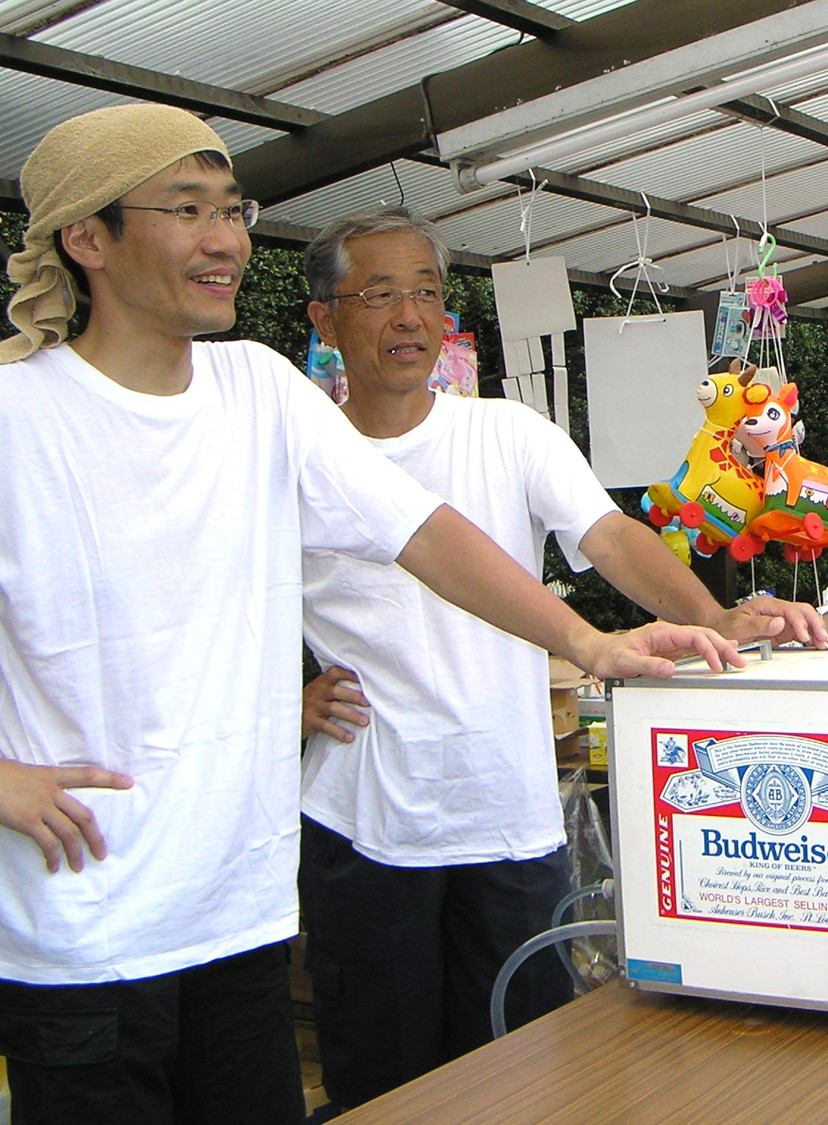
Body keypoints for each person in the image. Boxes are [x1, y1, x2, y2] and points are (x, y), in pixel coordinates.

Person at [0, 105, 743, 1125]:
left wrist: (589, 640)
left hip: (237, 917)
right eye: (187, 209)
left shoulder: (258, 390)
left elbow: (423, 531)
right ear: (88, 238)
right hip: (82, 931)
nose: (225, 239)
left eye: (232, 210)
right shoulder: (19, 417)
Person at [295, 207, 828, 1110]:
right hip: (364, 827)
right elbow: (219, 599)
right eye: (379, 295)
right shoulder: (301, 456)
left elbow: (609, 535)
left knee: (528, 1082)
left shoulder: (507, 432)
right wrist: (282, 699)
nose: (410, 317)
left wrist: (713, 616)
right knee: (383, 1089)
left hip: (508, 818)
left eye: (426, 293)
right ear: (325, 319)